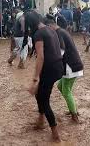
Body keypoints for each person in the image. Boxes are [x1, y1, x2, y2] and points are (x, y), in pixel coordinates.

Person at [26, 10, 64, 142]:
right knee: (39, 94)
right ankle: (40, 120)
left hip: (49, 69)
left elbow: (40, 57)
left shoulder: (38, 34)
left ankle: (55, 133)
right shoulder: (50, 29)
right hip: (58, 67)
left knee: (44, 100)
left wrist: (35, 79)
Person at [44, 14, 84, 124]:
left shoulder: (58, 33)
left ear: (49, 25)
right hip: (75, 64)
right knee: (60, 86)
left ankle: (74, 115)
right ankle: (73, 109)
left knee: (66, 90)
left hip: (70, 66)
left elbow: (60, 51)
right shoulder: (62, 31)